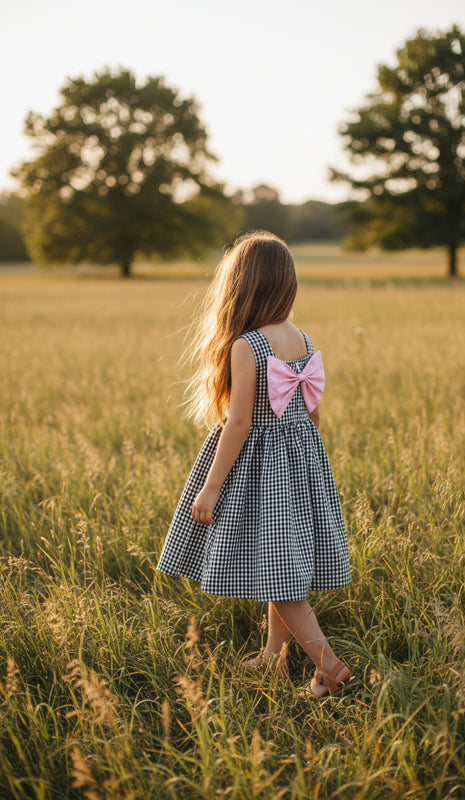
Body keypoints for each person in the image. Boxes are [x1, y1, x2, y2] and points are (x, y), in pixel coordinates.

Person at [157, 230, 353, 698]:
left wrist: (211, 486)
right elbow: (312, 413)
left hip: (259, 469)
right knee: (277, 565)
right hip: (299, 462)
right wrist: (303, 462)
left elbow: (240, 422)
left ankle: (329, 668)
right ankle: (272, 657)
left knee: (282, 579)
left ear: (240, 286)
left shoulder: (247, 345)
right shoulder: (301, 338)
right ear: (286, 284)